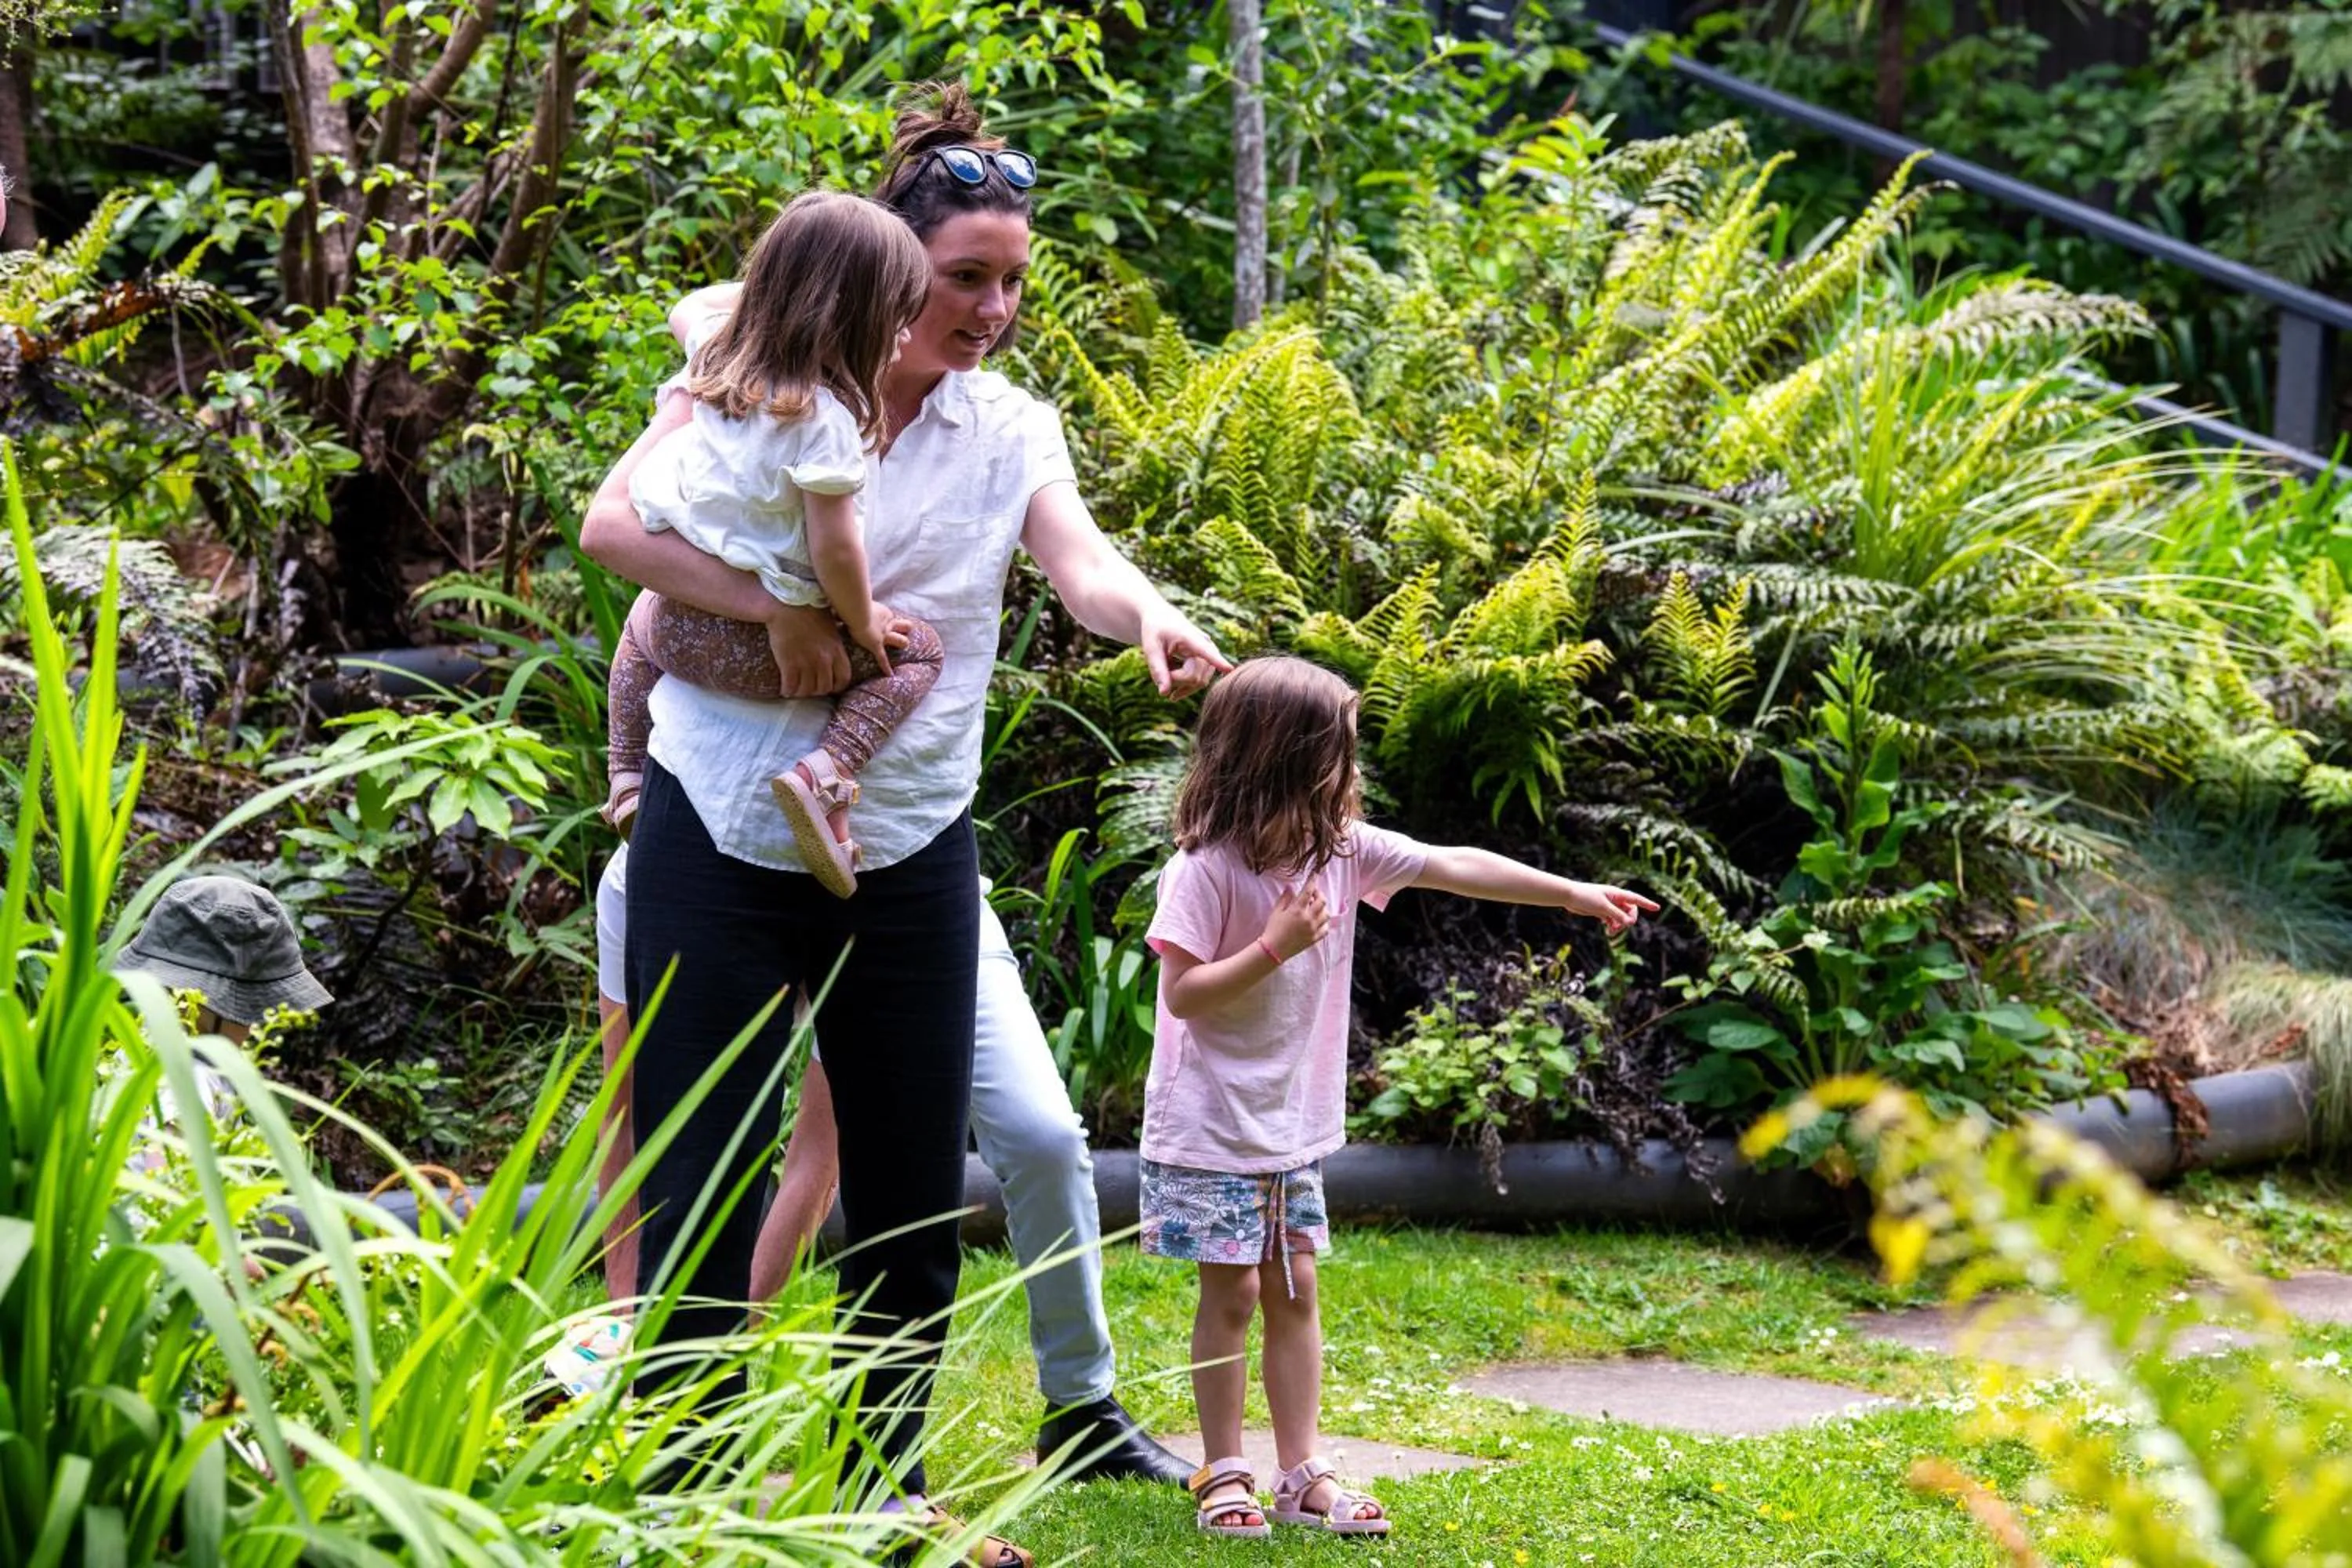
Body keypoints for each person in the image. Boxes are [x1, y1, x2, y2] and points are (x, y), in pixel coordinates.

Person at [579, 85, 1226, 1565]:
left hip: (907, 841)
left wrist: (1152, 613)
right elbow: (618, 529)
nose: (994, 309)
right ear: (890, 271)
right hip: (718, 824)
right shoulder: (748, 374)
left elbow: (1080, 564)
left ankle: (882, 1485)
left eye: (1014, 282)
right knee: (699, 1165)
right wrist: (783, 612)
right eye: (965, 280)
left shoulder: (1010, 432)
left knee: (906, 1173)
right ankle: (685, 1491)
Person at [1142, 656, 1657, 1541]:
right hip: (1212, 1125)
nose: (1350, 771)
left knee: (1296, 1288)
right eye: (1336, 753)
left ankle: (1302, 1472)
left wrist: (1570, 893)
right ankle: (1223, 1468)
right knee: (1230, 1294)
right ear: (1283, 761)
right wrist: (1274, 944)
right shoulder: (1205, 870)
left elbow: (1451, 863)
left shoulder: (1340, 852)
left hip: (1289, 1126)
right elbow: (1184, 994)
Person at [602, 188, 944, 898]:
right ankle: (826, 772)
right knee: (925, 653)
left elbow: (690, 306)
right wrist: (861, 620)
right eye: (897, 321)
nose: (906, 339)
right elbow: (836, 551)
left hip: (676, 630)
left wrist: (784, 277)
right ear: (853, 321)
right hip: (770, 652)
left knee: (636, 624)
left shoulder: (721, 360)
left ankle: (627, 774)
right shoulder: (825, 421)